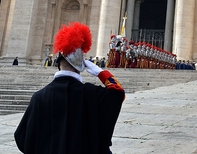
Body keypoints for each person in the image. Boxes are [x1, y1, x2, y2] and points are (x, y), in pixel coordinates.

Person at [15, 22, 125, 153]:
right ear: (82, 66)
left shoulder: (38, 97)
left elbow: (21, 138)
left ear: (58, 63)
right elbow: (118, 93)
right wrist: (101, 72)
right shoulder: (91, 94)